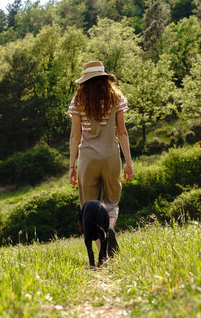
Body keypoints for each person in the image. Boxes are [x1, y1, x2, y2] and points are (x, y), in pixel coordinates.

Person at [67, 60, 133, 256]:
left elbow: (75, 136)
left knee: (90, 207)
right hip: (111, 155)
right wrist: (129, 162)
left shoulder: (78, 101)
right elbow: (122, 133)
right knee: (111, 202)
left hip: (88, 159)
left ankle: (103, 252)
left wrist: (71, 166)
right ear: (104, 78)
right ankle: (110, 227)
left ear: (84, 81)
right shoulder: (116, 98)